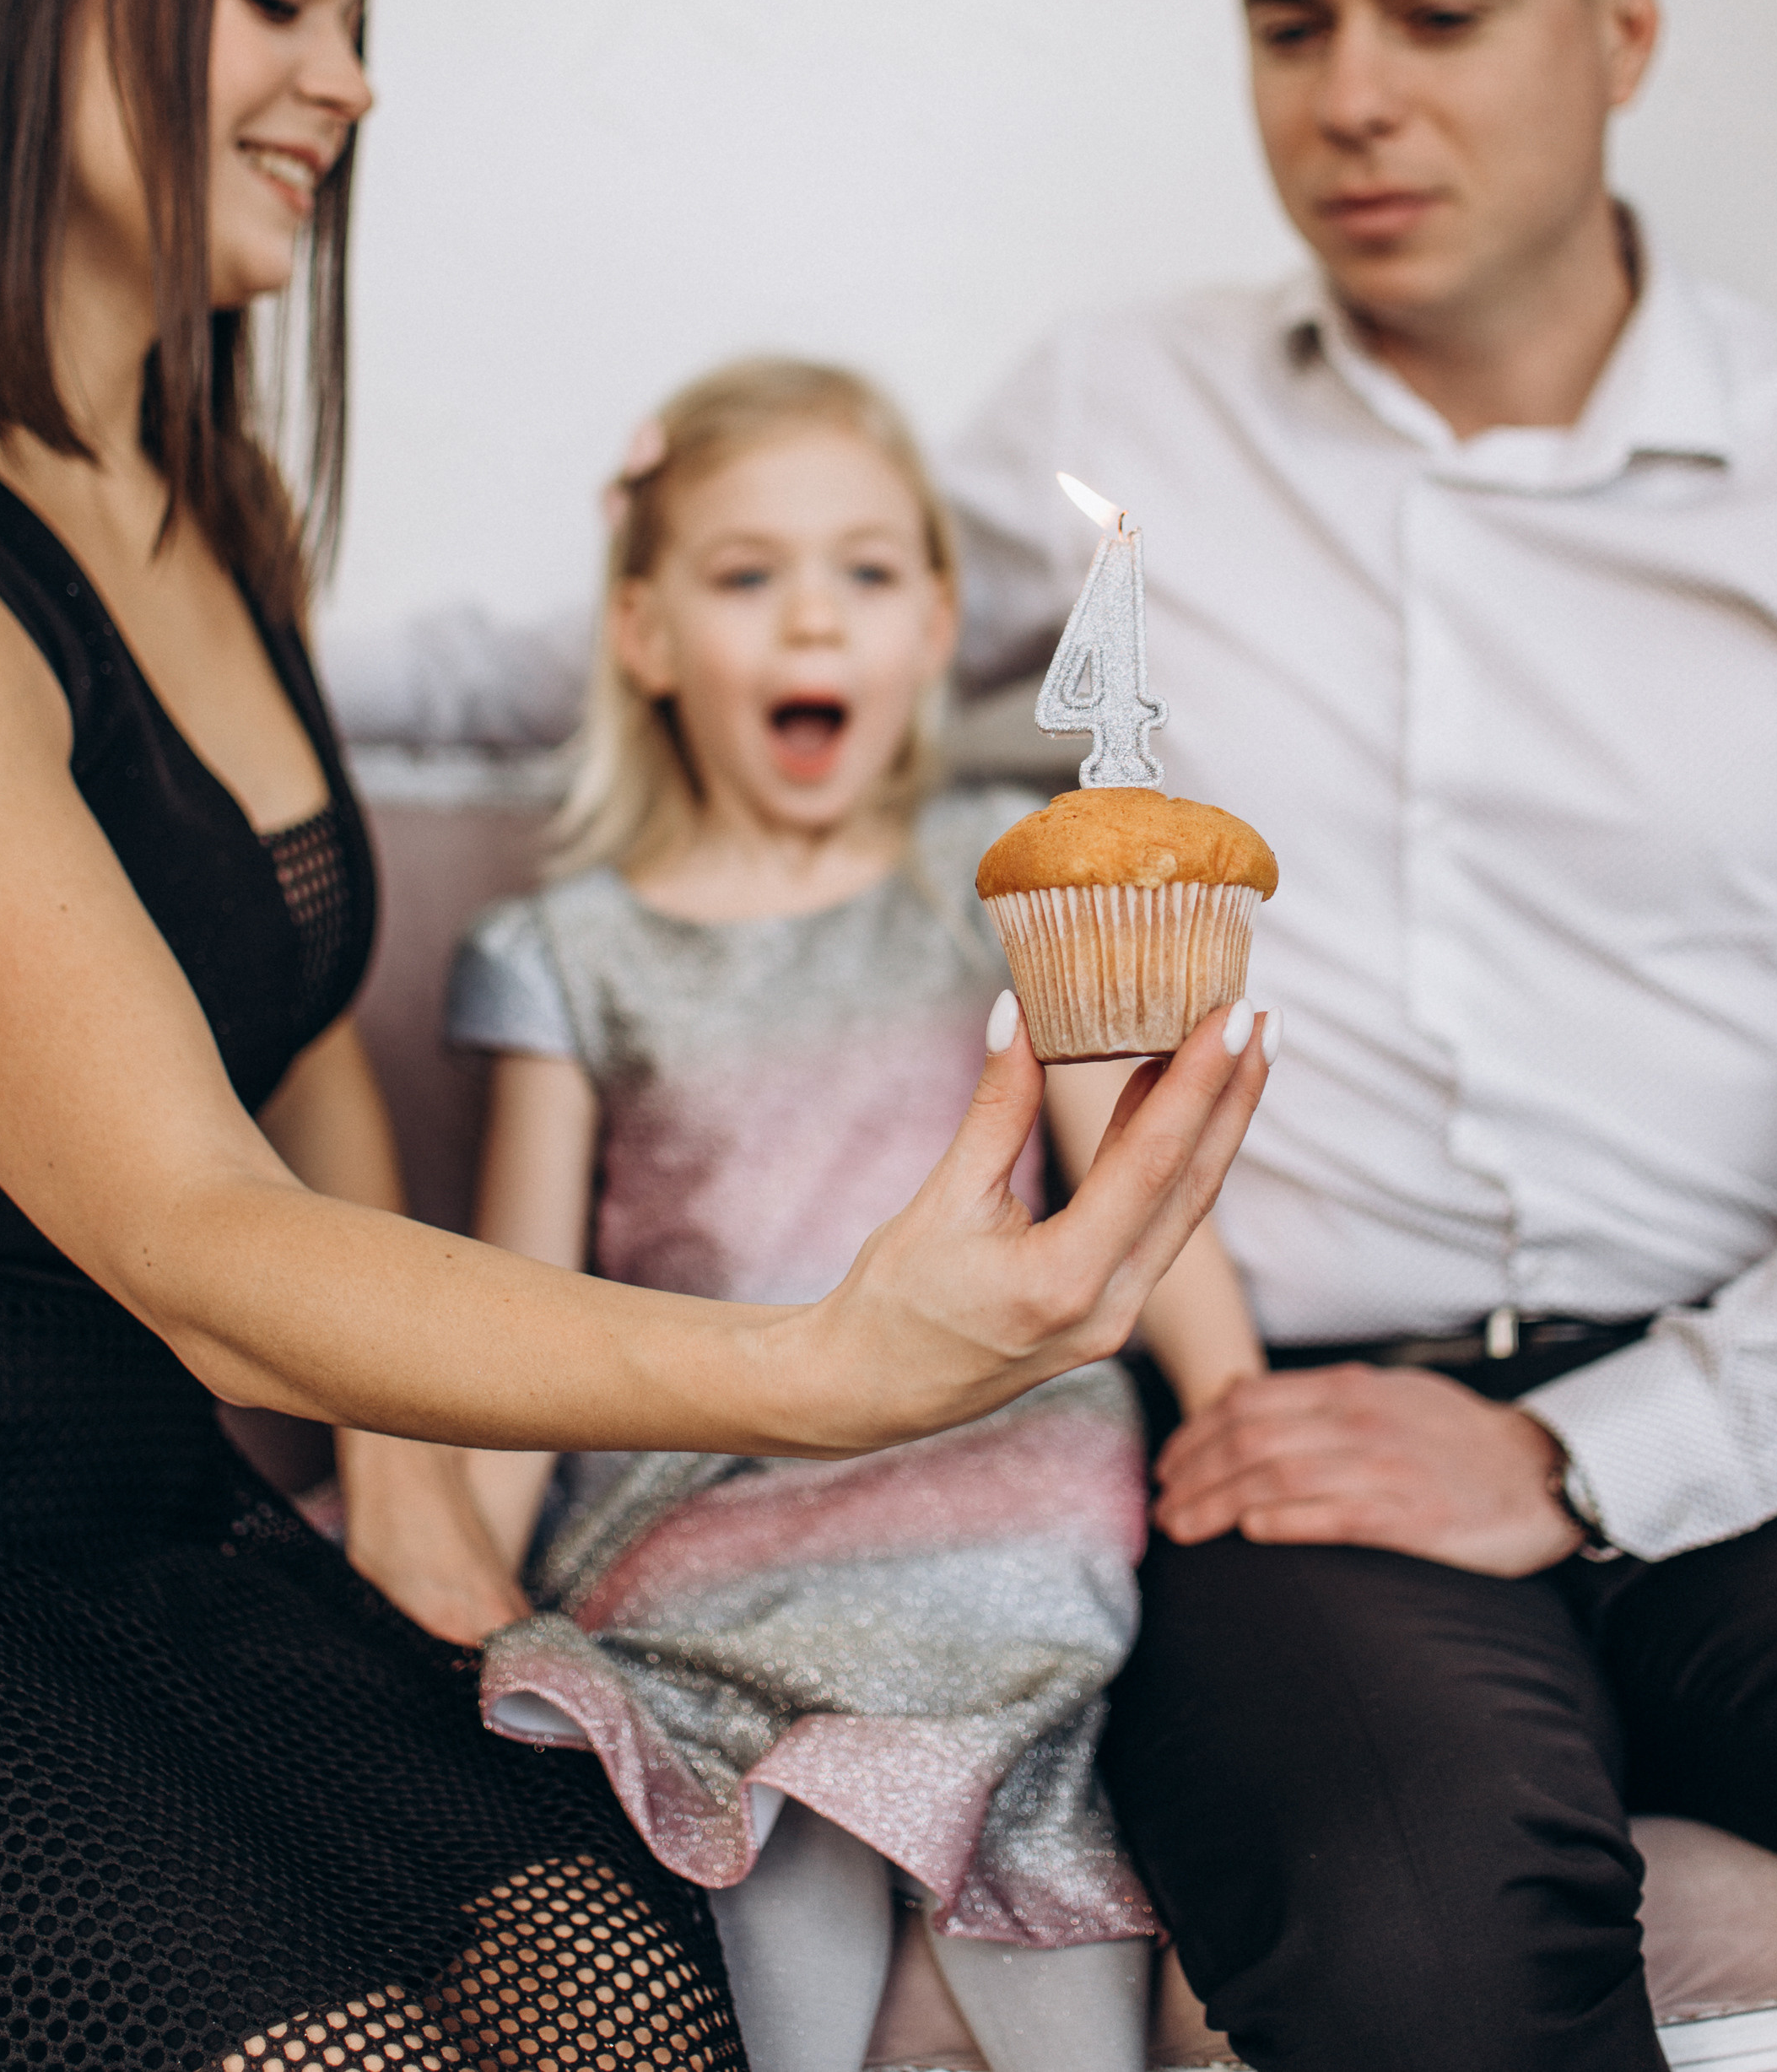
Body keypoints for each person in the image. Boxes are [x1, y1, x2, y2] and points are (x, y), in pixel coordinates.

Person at [0, 0, 1273, 2072]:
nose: (352, 75)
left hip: (165, 1539)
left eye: (361, 13)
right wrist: (832, 1365)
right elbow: (206, 1247)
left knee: (633, 2020)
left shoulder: (212, 503)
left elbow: (297, 1025)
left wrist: (419, 1486)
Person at [937, 0, 1777, 2071]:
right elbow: (758, 597)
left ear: (1622, 24)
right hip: (1295, 1438)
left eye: (1439, 12)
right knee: (1415, 1957)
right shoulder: (1123, 416)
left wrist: (1589, 1447)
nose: (1352, 95)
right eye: (1289, 21)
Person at [441, 354, 1271, 2072]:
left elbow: (1134, 1201)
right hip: (713, 1466)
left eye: (866, 573)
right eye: (748, 575)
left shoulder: (1011, 878)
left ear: (938, 623)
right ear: (648, 630)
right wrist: (447, 1564)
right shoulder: (568, 948)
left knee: (1005, 1616)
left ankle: (1014, 1986)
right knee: (729, 1712)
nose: (813, 621)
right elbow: (514, 1308)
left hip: (993, 1447)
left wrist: (1244, 1404)